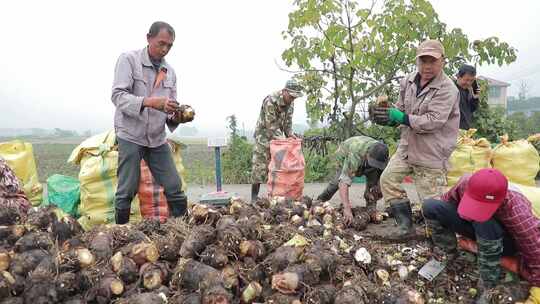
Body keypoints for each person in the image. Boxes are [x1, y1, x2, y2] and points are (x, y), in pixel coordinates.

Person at [372, 39, 460, 238]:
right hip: (407, 147)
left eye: (432, 61)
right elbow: (401, 109)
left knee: (432, 205)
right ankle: (405, 228)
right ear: (417, 61)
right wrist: (390, 118)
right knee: (388, 180)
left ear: (442, 61)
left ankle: (444, 246)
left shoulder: (448, 89)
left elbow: (433, 121)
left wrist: (402, 117)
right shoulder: (409, 81)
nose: (427, 66)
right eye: (423, 61)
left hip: (432, 152)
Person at [111, 21, 192, 224]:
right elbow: (118, 96)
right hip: (131, 134)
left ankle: (181, 232)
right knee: (127, 189)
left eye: (169, 46)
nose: (165, 49)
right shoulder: (129, 60)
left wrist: (178, 115)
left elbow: (169, 110)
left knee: (174, 187)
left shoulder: (170, 72)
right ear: (148, 38)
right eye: (161, 43)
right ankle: (121, 234)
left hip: (156, 138)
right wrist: (150, 102)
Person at [423, 169, 540, 302]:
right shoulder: (466, 183)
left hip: (504, 240)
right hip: (478, 229)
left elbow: (536, 254)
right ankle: (449, 254)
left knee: (485, 222)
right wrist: (438, 228)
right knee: (431, 206)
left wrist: (536, 289)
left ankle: (488, 283)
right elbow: (446, 204)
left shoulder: (519, 215)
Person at [314, 136, 389, 226]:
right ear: (367, 154)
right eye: (373, 162)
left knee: (373, 182)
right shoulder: (355, 154)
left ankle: (370, 209)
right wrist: (347, 208)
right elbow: (344, 182)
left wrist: (378, 187)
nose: (375, 165)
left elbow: (382, 174)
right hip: (345, 155)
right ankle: (319, 202)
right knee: (335, 185)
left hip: (365, 158)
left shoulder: (383, 155)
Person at [251, 80, 304, 202]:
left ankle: (278, 198)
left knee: (281, 169)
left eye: (295, 97)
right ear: (284, 91)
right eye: (291, 96)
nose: (292, 99)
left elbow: (288, 124)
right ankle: (254, 199)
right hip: (263, 138)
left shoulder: (290, 103)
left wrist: (291, 135)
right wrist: (285, 143)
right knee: (259, 168)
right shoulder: (270, 101)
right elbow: (271, 126)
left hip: (279, 141)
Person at [455, 64, 480, 130]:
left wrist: (475, 98)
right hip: (454, 131)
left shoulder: (467, 91)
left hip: (465, 131)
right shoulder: (452, 90)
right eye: (466, 80)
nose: (468, 83)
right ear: (458, 77)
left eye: (471, 80)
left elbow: (471, 109)